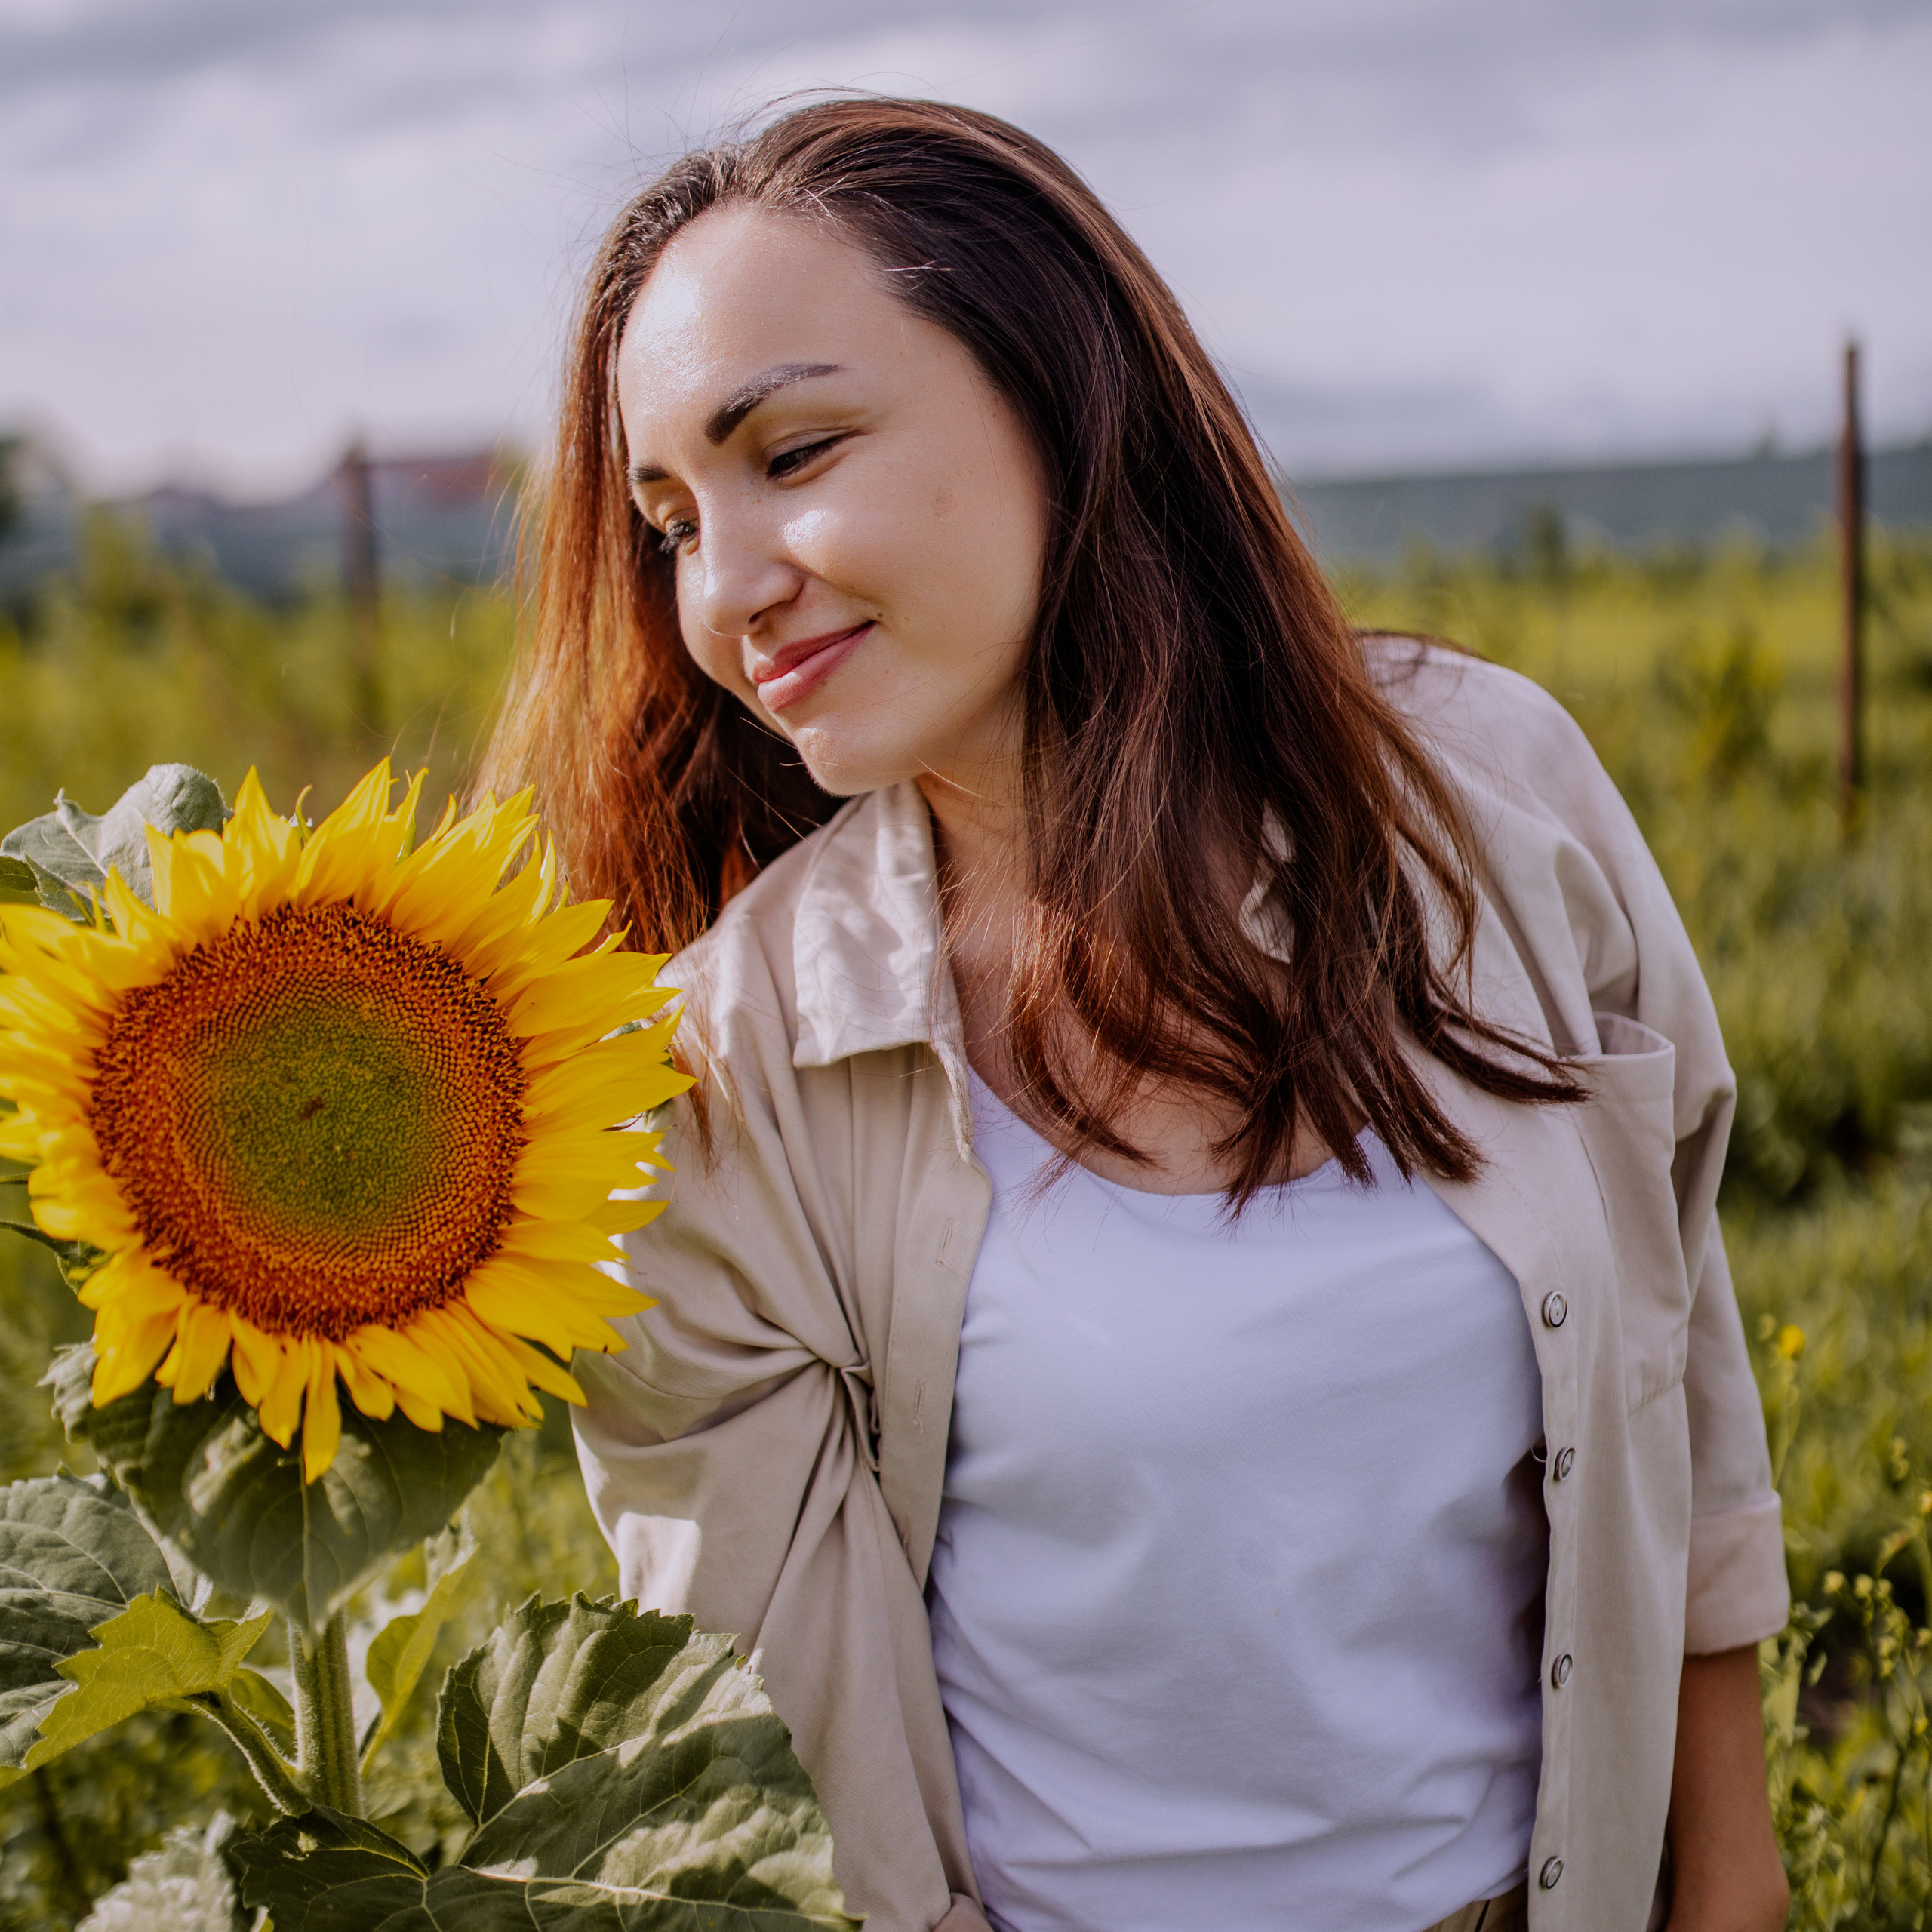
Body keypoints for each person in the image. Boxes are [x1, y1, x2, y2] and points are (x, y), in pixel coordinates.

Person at [479, 97, 1792, 1932]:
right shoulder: (715, 1076)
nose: (725, 586)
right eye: (672, 519)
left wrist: (1728, 1890)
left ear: (1059, 389)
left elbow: (1677, 1368)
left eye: (794, 448)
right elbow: (779, 1744)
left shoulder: (1492, 801)